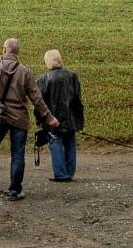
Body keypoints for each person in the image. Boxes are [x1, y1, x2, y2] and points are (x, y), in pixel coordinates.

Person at [0, 38, 59, 201]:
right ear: (18, 52)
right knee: (17, 154)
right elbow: (36, 98)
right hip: (19, 117)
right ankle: (15, 190)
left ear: (4, 49)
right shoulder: (25, 71)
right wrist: (49, 118)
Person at [37, 49, 84, 182]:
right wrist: (79, 120)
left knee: (55, 143)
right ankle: (69, 172)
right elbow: (77, 100)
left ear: (47, 62)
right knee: (70, 143)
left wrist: (41, 120)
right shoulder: (72, 76)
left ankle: (60, 173)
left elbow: (39, 102)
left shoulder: (43, 79)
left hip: (53, 120)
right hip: (71, 119)